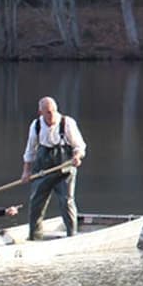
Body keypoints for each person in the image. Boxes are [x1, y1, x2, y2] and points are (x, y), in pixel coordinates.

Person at [21, 95, 87, 239]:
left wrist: (77, 157)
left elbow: (79, 146)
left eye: (54, 111)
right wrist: (26, 172)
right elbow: (30, 151)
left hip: (65, 170)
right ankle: (34, 236)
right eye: (48, 113)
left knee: (66, 201)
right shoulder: (36, 125)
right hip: (43, 171)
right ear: (41, 113)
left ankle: (72, 235)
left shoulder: (67, 123)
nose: (52, 115)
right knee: (36, 202)